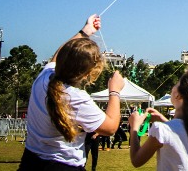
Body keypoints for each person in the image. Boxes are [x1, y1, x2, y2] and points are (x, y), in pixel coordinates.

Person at [18, 13, 124, 170]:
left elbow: (57, 56)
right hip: (63, 166)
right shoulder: (76, 98)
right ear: (89, 72)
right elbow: (110, 127)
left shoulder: (44, 78)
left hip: (30, 162)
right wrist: (114, 91)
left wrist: (85, 31)